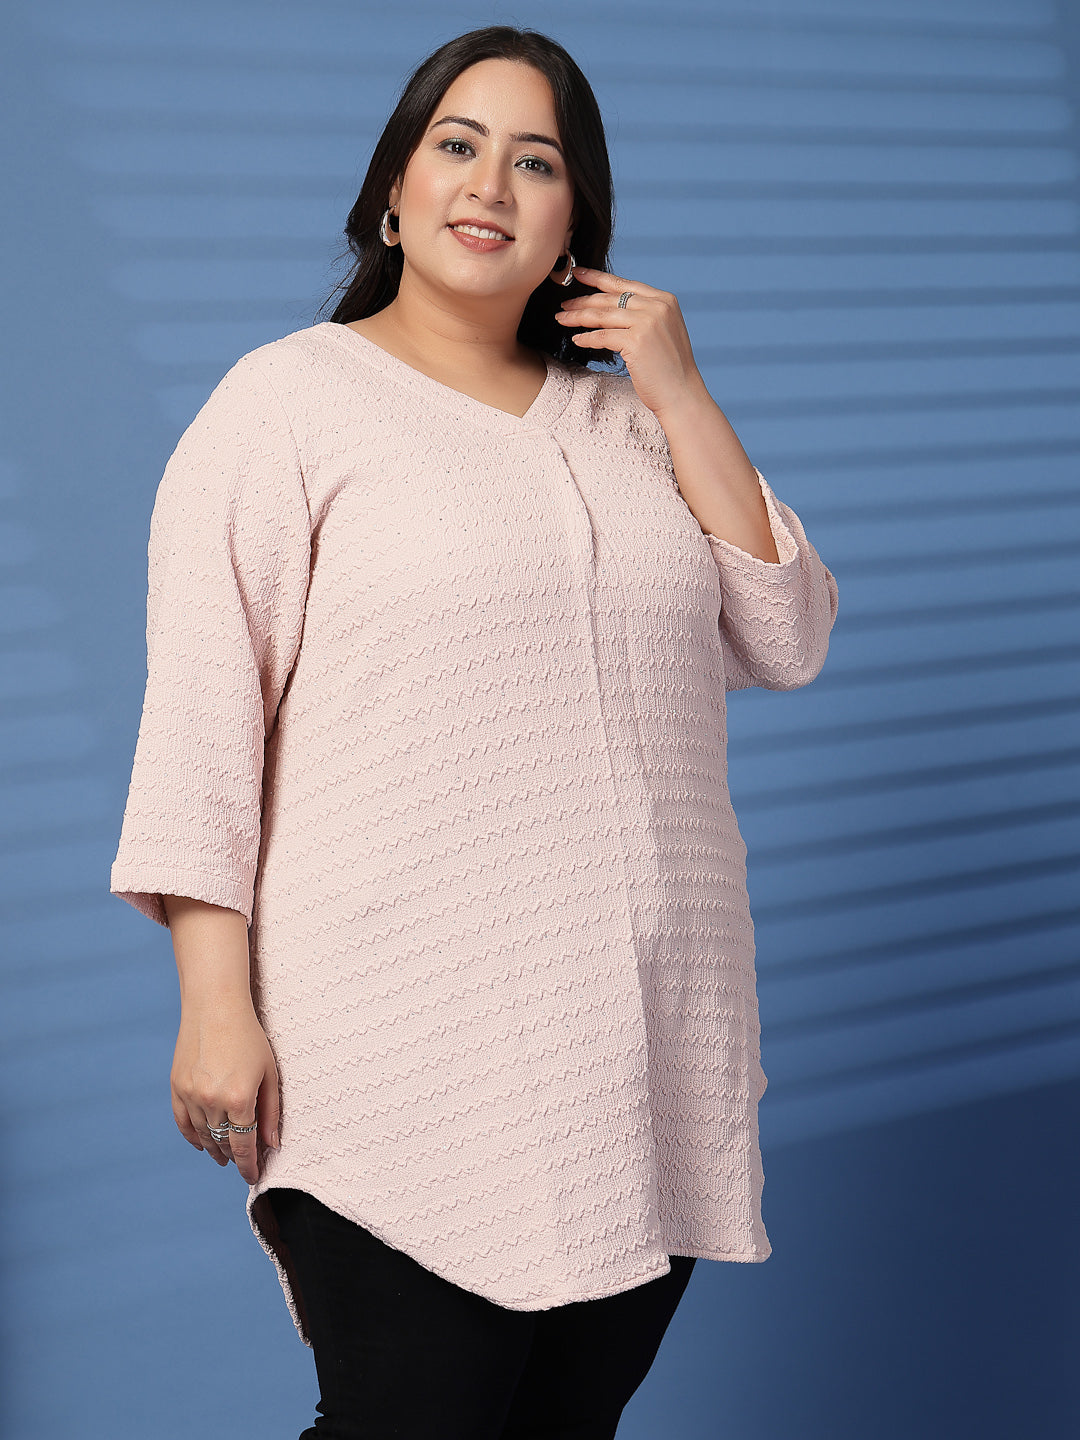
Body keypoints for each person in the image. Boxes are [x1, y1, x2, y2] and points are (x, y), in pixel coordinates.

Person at [109, 24, 839, 1440]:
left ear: (576, 226)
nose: (490, 182)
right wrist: (215, 1002)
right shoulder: (287, 403)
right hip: (398, 1043)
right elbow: (203, 721)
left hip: (642, 1049)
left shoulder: (635, 432)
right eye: (457, 144)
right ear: (394, 191)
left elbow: (786, 630)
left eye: (536, 160)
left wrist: (679, 388)